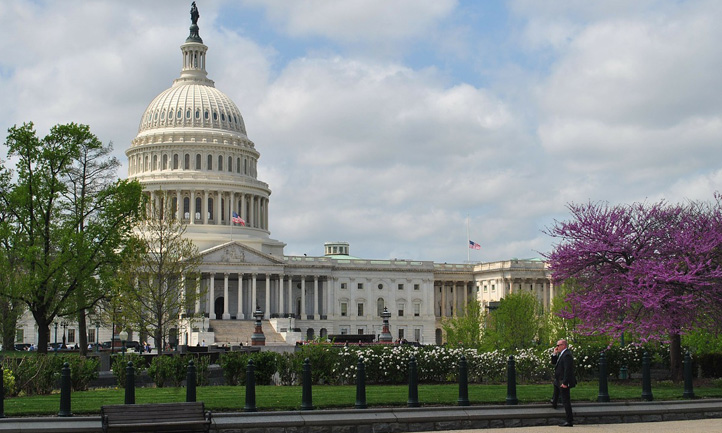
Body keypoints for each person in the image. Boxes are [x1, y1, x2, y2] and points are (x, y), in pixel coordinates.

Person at [551, 339, 576, 427]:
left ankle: (569, 421)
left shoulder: (567, 355)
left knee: (566, 401)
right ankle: (554, 401)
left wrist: (565, 383)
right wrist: (554, 353)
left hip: (563, 381)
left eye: (558, 345)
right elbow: (554, 363)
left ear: (564, 345)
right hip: (558, 380)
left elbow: (567, 370)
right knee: (556, 392)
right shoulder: (562, 354)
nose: (557, 347)